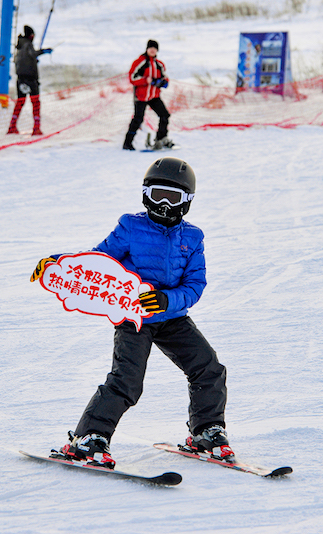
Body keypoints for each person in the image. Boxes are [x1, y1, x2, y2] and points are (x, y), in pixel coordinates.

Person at [30, 157, 232, 468]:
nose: (163, 205)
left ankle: (207, 430)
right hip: (133, 317)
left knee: (208, 367)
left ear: (187, 202)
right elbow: (97, 259)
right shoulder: (131, 226)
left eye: (172, 197)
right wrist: (59, 264)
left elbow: (195, 284)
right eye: (156, 195)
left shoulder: (193, 238)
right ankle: (89, 437)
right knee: (127, 380)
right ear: (144, 195)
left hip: (172, 317)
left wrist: (167, 300)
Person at [123, 40, 174, 151]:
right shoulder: (140, 62)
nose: (152, 50)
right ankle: (127, 143)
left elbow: (165, 78)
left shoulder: (159, 64)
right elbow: (132, 78)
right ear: (147, 49)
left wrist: (162, 82)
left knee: (165, 115)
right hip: (141, 96)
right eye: (150, 48)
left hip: (154, 96)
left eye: (155, 49)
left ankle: (161, 139)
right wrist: (146, 80)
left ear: (157, 50)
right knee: (138, 119)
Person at [7, 26, 52, 136]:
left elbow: (23, 60)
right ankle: (36, 128)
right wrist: (43, 51)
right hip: (31, 79)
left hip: (20, 79)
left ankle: (12, 126)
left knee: (20, 102)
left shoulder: (19, 47)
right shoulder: (28, 44)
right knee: (35, 102)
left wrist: (32, 61)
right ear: (30, 36)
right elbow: (33, 53)